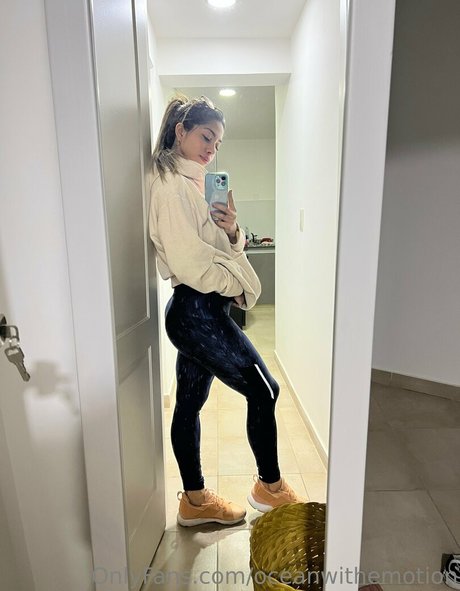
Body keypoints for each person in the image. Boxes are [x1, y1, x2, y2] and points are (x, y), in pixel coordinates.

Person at [149, 95, 303, 527]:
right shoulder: (170, 186)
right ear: (181, 131)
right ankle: (270, 487)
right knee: (265, 390)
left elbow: (218, 251)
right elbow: (191, 264)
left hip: (199, 310)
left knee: (189, 405)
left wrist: (232, 229)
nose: (211, 149)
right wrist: (235, 285)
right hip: (196, 311)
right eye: (206, 137)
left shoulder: (195, 186)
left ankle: (195, 502)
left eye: (217, 144)